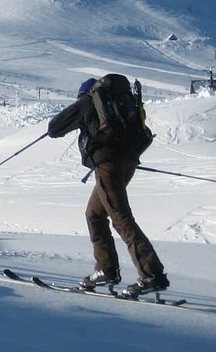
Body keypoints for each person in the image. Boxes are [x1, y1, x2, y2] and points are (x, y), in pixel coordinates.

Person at [47, 75, 169, 299]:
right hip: (128, 163)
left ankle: (152, 273)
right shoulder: (122, 101)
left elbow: (54, 128)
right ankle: (106, 268)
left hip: (108, 166)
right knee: (94, 214)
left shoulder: (88, 101)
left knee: (121, 217)